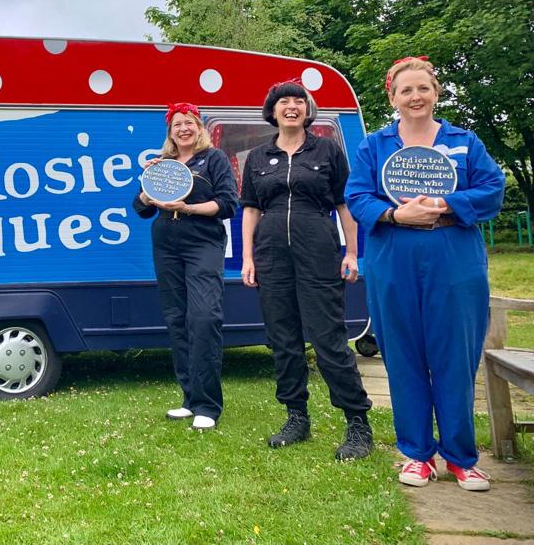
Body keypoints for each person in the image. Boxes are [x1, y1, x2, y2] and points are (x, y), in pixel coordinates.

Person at [346, 57, 504, 491]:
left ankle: (461, 458)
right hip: (394, 256)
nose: (415, 97)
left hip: (454, 256)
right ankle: (417, 455)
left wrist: (446, 204)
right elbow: (356, 196)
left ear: (436, 92)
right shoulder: (374, 146)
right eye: (406, 90)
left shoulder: (464, 141)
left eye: (423, 88)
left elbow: (493, 190)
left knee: (455, 354)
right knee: (403, 355)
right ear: (392, 97)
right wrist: (396, 214)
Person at [240, 79, 373, 461]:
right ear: (273, 111)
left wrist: (352, 253)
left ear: (307, 110)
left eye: (299, 101)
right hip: (271, 255)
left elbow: (344, 205)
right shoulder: (258, 157)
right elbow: (250, 209)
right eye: (284, 102)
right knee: (283, 340)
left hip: (318, 249)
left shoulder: (327, 150)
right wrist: (248, 258)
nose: (292, 107)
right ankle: (296, 417)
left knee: (329, 338)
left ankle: (357, 422)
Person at [135, 103, 239, 430]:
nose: (183, 129)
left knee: (204, 318)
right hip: (166, 246)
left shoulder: (214, 159)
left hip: (203, 245)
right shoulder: (163, 164)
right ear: (170, 132)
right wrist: (148, 190)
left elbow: (228, 204)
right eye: (177, 124)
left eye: (189, 123)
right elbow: (140, 208)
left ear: (199, 127)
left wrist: (188, 207)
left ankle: (208, 405)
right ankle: (190, 399)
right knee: (176, 319)